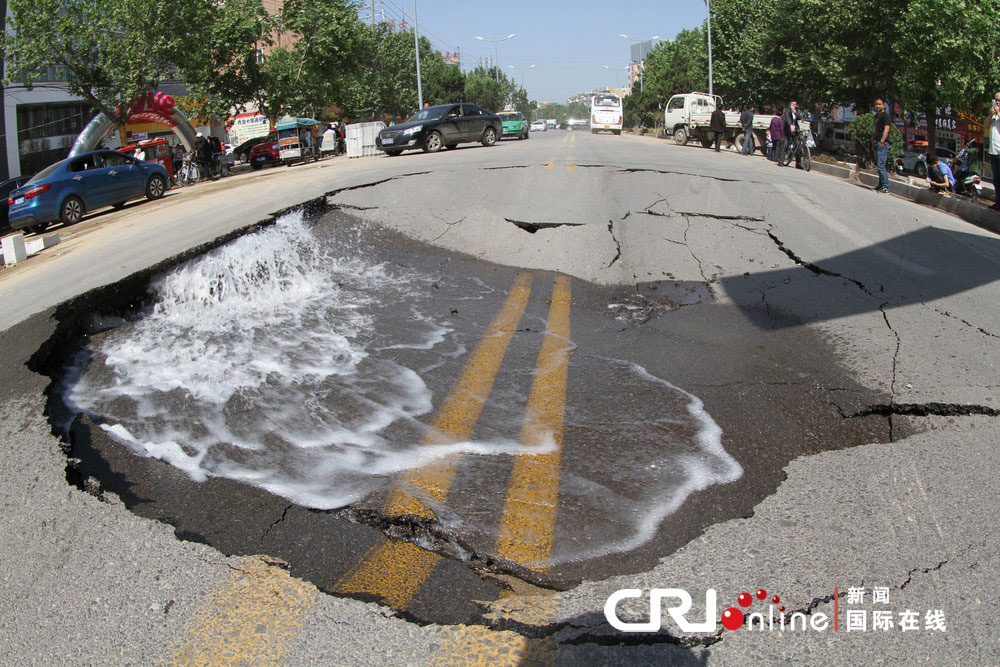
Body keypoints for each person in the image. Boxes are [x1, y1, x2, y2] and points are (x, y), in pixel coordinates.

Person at [872, 98, 891, 193]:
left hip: (882, 144)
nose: (878, 106)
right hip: (876, 142)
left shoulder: (885, 116)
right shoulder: (877, 116)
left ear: (883, 106)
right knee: (879, 166)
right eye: (876, 104)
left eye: (879, 104)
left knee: (881, 165)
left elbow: (886, 129)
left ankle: (886, 187)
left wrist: (882, 141)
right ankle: (880, 185)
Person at [989, 91, 1000, 210]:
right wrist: (990, 115)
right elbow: (986, 125)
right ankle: (998, 203)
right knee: (996, 180)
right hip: (993, 151)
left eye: (999, 100)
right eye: (996, 100)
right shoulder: (994, 115)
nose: (997, 102)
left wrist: (998, 112)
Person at [782, 101, 801, 168]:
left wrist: (795, 112)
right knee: (785, 145)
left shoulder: (797, 110)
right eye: (793, 104)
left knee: (798, 145)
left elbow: (799, 117)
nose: (794, 106)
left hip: (795, 130)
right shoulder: (787, 110)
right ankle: (781, 161)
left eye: (795, 104)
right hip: (788, 130)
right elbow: (787, 119)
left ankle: (798, 164)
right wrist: (790, 125)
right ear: (790, 105)